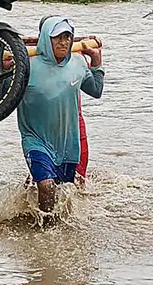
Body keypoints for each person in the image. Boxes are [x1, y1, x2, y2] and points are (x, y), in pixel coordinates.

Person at [16, 16, 103, 215]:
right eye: (57, 37)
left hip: (67, 142)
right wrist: (4, 71)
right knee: (46, 186)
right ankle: (44, 238)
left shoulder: (78, 63)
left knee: (64, 192)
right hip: (35, 139)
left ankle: (58, 236)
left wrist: (97, 61)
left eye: (67, 37)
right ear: (46, 39)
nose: (63, 42)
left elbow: (96, 90)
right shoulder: (26, 65)